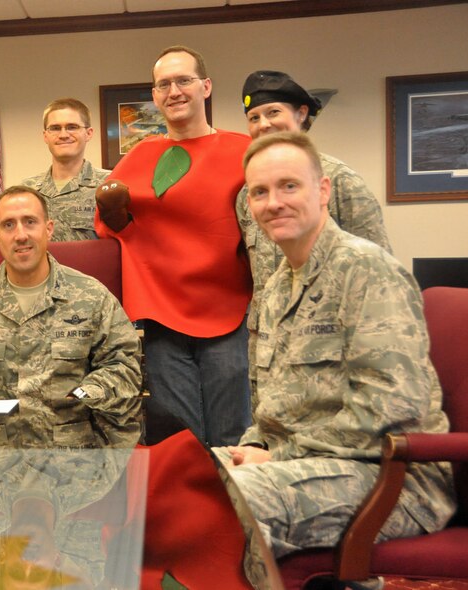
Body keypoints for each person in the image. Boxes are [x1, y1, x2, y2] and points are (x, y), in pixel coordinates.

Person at [220, 131, 454, 559]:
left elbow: (390, 406)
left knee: (218, 504)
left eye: (289, 185)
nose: (273, 202)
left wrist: (278, 457)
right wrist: (255, 445)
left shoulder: (366, 270)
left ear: (323, 189)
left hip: (393, 478)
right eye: (260, 192)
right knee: (170, 481)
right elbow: (275, 406)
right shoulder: (276, 288)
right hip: (304, 465)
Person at [95, 46, 252, 447]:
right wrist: (116, 215)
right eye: (163, 84)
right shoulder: (143, 154)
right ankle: (188, 511)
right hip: (163, 316)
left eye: (183, 80)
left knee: (232, 433)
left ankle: (234, 510)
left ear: (206, 87)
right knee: (179, 438)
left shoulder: (243, 150)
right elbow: (112, 225)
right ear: (154, 95)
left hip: (228, 310)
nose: (174, 91)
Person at [0, 185, 142, 447]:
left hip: (72, 459)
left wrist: (82, 394)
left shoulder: (91, 296)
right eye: (8, 225)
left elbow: (125, 366)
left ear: (48, 229)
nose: (21, 235)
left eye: (30, 222)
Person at [236, 70, 392, 386]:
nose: (263, 124)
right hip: (267, 349)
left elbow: (378, 272)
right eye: (254, 117)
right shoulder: (247, 195)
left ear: (302, 113)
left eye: (273, 112)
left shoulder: (340, 182)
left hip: (331, 349)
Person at [20, 98, 109, 241]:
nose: (63, 135)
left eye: (72, 127)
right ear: (45, 136)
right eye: (55, 128)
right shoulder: (26, 190)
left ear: (89, 133)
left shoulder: (108, 185)